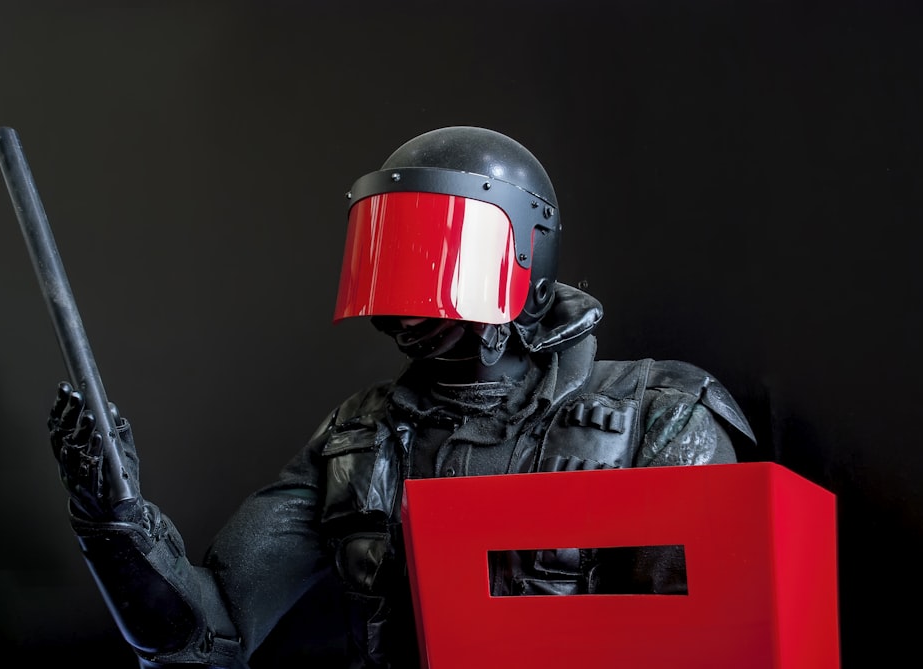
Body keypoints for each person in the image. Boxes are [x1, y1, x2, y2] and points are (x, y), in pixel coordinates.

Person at [47, 126, 757, 668]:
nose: (413, 286)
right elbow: (210, 633)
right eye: (397, 251)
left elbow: (709, 643)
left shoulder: (658, 416)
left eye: (441, 251)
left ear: (523, 253)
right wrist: (115, 523)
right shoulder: (360, 438)